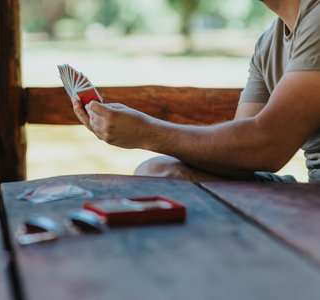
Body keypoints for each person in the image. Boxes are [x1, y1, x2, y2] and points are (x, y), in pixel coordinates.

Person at [72, 0, 320, 183]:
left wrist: (145, 132)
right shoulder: (267, 45)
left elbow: (267, 146)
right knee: (159, 173)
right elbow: (242, 157)